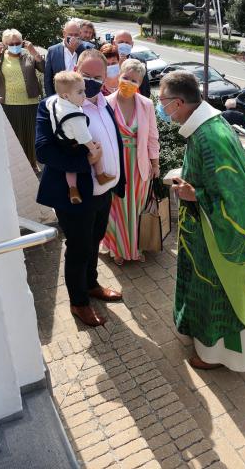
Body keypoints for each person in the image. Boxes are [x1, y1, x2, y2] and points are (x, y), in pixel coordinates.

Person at [158, 71, 245, 372]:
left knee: (216, 291)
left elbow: (235, 195)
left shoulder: (210, 136)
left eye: (163, 102)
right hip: (205, 228)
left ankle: (218, 355)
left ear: (179, 103)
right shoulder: (204, 127)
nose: (161, 108)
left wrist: (195, 195)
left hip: (220, 237)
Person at [36, 49, 125, 327]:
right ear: (75, 69)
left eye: (98, 76)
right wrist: (84, 158)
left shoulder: (103, 101)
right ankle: (79, 302)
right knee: (78, 248)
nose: (93, 82)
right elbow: (43, 151)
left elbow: (113, 141)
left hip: (104, 190)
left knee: (94, 241)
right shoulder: (54, 106)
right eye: (87, 75)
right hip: (75, 196)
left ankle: (91, 284)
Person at [102, 59, 160, 266]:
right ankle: (118, 248)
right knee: (116, 207)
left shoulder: (147, 104)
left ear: (141, 82)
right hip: (115, 165)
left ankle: (135, 247)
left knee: (136, 207)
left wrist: (155, 164)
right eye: (125, 77)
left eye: (134, 80)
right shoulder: (105, 103)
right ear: (119, 76)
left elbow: (153, 137)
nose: (128, 82)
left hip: (139, 164)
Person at [48, 71, 115, 204]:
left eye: (84, 90)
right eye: (80, 92)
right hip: (76, 143)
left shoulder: (56, 103)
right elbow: (84, 137)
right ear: (66, 96)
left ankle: (73, 189)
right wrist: (93, 149)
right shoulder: (75, 116)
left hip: (63, 143)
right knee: (98, 148)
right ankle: (100, 175)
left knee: (70, 168)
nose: (84, 95)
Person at [0, 28, 44, 170]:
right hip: (9, 103)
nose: (15, 45)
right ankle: (20, 168)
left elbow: (44, 68)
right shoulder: (1, 57)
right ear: (4, 44)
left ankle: (33, 163)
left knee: (32, 135)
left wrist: (33, 52)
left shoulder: (28, 55)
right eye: (11, 43)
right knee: (17, 136)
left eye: (18, 42)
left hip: (31, 102)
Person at [44, 21, 87, 97]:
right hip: (60, 98)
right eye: (70, 34)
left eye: (76, 35)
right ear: (64, 33)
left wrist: (77, 49)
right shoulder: (53, 51)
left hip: (81, 98)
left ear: (80, 34)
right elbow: (48, 79)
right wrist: (51, 99)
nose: (73, 38)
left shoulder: (85, 50)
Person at [113, 30, 151, 98]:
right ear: (114, 43)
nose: (124, 45)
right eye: (121, 42)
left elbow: (145, 86)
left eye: (127, 43)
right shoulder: (108, 62)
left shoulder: (140, 61)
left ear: (132, 44)